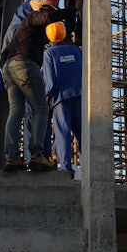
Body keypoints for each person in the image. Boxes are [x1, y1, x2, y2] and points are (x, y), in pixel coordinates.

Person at [0, 0, 76, 172]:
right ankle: (37, 155)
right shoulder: (33, 17)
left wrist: (6, 75)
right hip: (25, 66)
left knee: (16, 111)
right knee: (41, 109)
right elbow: (48, 18)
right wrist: (74, 9)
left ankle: (11, 157)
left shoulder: (25, 31)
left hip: (10, 69)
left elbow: (5, 53)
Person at [42, 22, 83, 179]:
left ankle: (66, 169)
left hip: (61, 98)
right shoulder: (77, 50)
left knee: (62, 133)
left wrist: (47, 97)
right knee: (83, 133)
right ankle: (88, 166)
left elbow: (50, 82)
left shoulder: (50, 53)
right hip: (79, 95)